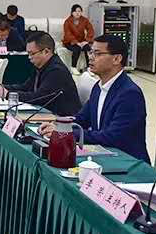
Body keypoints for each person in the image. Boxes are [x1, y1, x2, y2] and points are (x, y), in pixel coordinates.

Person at [41, 34, 149, 163]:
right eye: (91, 52)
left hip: (128, 162)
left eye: (97, 54)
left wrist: (67, 133)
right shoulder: (98, 86)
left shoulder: (129, 94)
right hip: (106, 154)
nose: (91, 57)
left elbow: (113, 137)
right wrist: (59, 125)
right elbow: (82, 119)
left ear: (117, 59)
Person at [0, 32, 81, 116]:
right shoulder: (40, 66)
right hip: (47, 114)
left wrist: (8, 94)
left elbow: (39, 97)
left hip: (63, 118)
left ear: (46, 51)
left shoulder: (57, 71)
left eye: (32, 53)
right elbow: (26, 87)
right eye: (28, 53)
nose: (29, 57)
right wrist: (3, 87)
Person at [63, 4, 95, 68]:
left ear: (81, 12)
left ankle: (89, 67)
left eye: (79, 11)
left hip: (82, 41)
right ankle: (73, 68)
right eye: (75, 11)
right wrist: (76, 42)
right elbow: (68, 34)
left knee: (88, 48)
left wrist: (86, 41)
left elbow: (90, 30)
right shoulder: (67, 22)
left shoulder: (84, 20)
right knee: (77, 49)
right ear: (72, 12)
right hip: (70, 42)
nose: (77, 13)